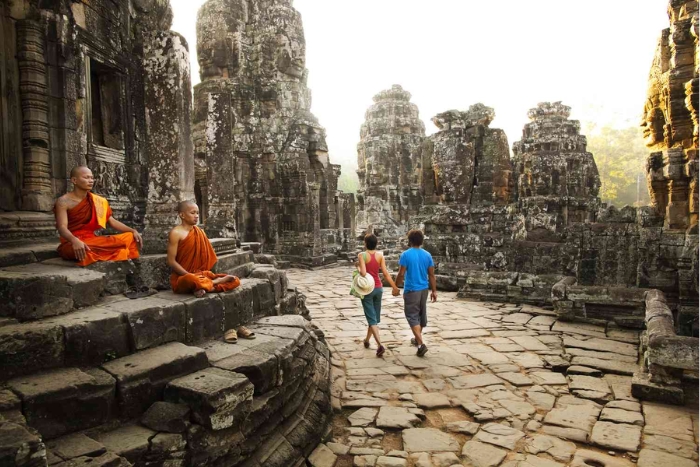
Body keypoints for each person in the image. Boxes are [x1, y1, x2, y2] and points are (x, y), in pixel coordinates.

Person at [167, 201, 253, 343]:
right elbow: (171, 262)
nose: (196, 216)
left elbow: (206, 261)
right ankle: (211, 284)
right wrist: (192, 276)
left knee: (234, 280)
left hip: (201, 274)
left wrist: (203, 277)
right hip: (183, 278)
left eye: (197, 213)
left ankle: (204, 287)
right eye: (192, 213)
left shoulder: (200, 232)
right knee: (192, 280)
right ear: (181, 215)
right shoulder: (176, 233)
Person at [55, 166, 142, 266]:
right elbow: (62, 227)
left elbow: (112, 221)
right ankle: (113, 251)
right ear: (74, 180)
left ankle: (100, 252)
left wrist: (132, 230)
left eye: (92, 178)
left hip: (93, 240)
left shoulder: (97, 201)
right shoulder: (63, 201)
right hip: (72, 242)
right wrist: (74, 240)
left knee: (130, 236)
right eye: (86, 178)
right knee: (83, 249)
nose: (91, 181)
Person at [395, 229, 437, 357]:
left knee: (412, 316)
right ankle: (417, 338)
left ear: (410, 240)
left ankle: (420, 344)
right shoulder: (427, 255)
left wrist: (395, 286)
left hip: (411, 289)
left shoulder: (406, 255)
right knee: (420, 315)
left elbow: (401, 273)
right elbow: (431, 275)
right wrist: (434, 291)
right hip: (424, 289)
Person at [357, 233, 400, 357]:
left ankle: (380, 344)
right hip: (378, 288)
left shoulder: (362, 255)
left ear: (365, 243)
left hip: (367, 289)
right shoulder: (380, 256)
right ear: (376, 244)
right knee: (374, 318)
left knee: (372, 319)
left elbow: (364, 273)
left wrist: (359, 268)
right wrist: (394, 287)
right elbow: (386, 274)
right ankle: (366, 340)